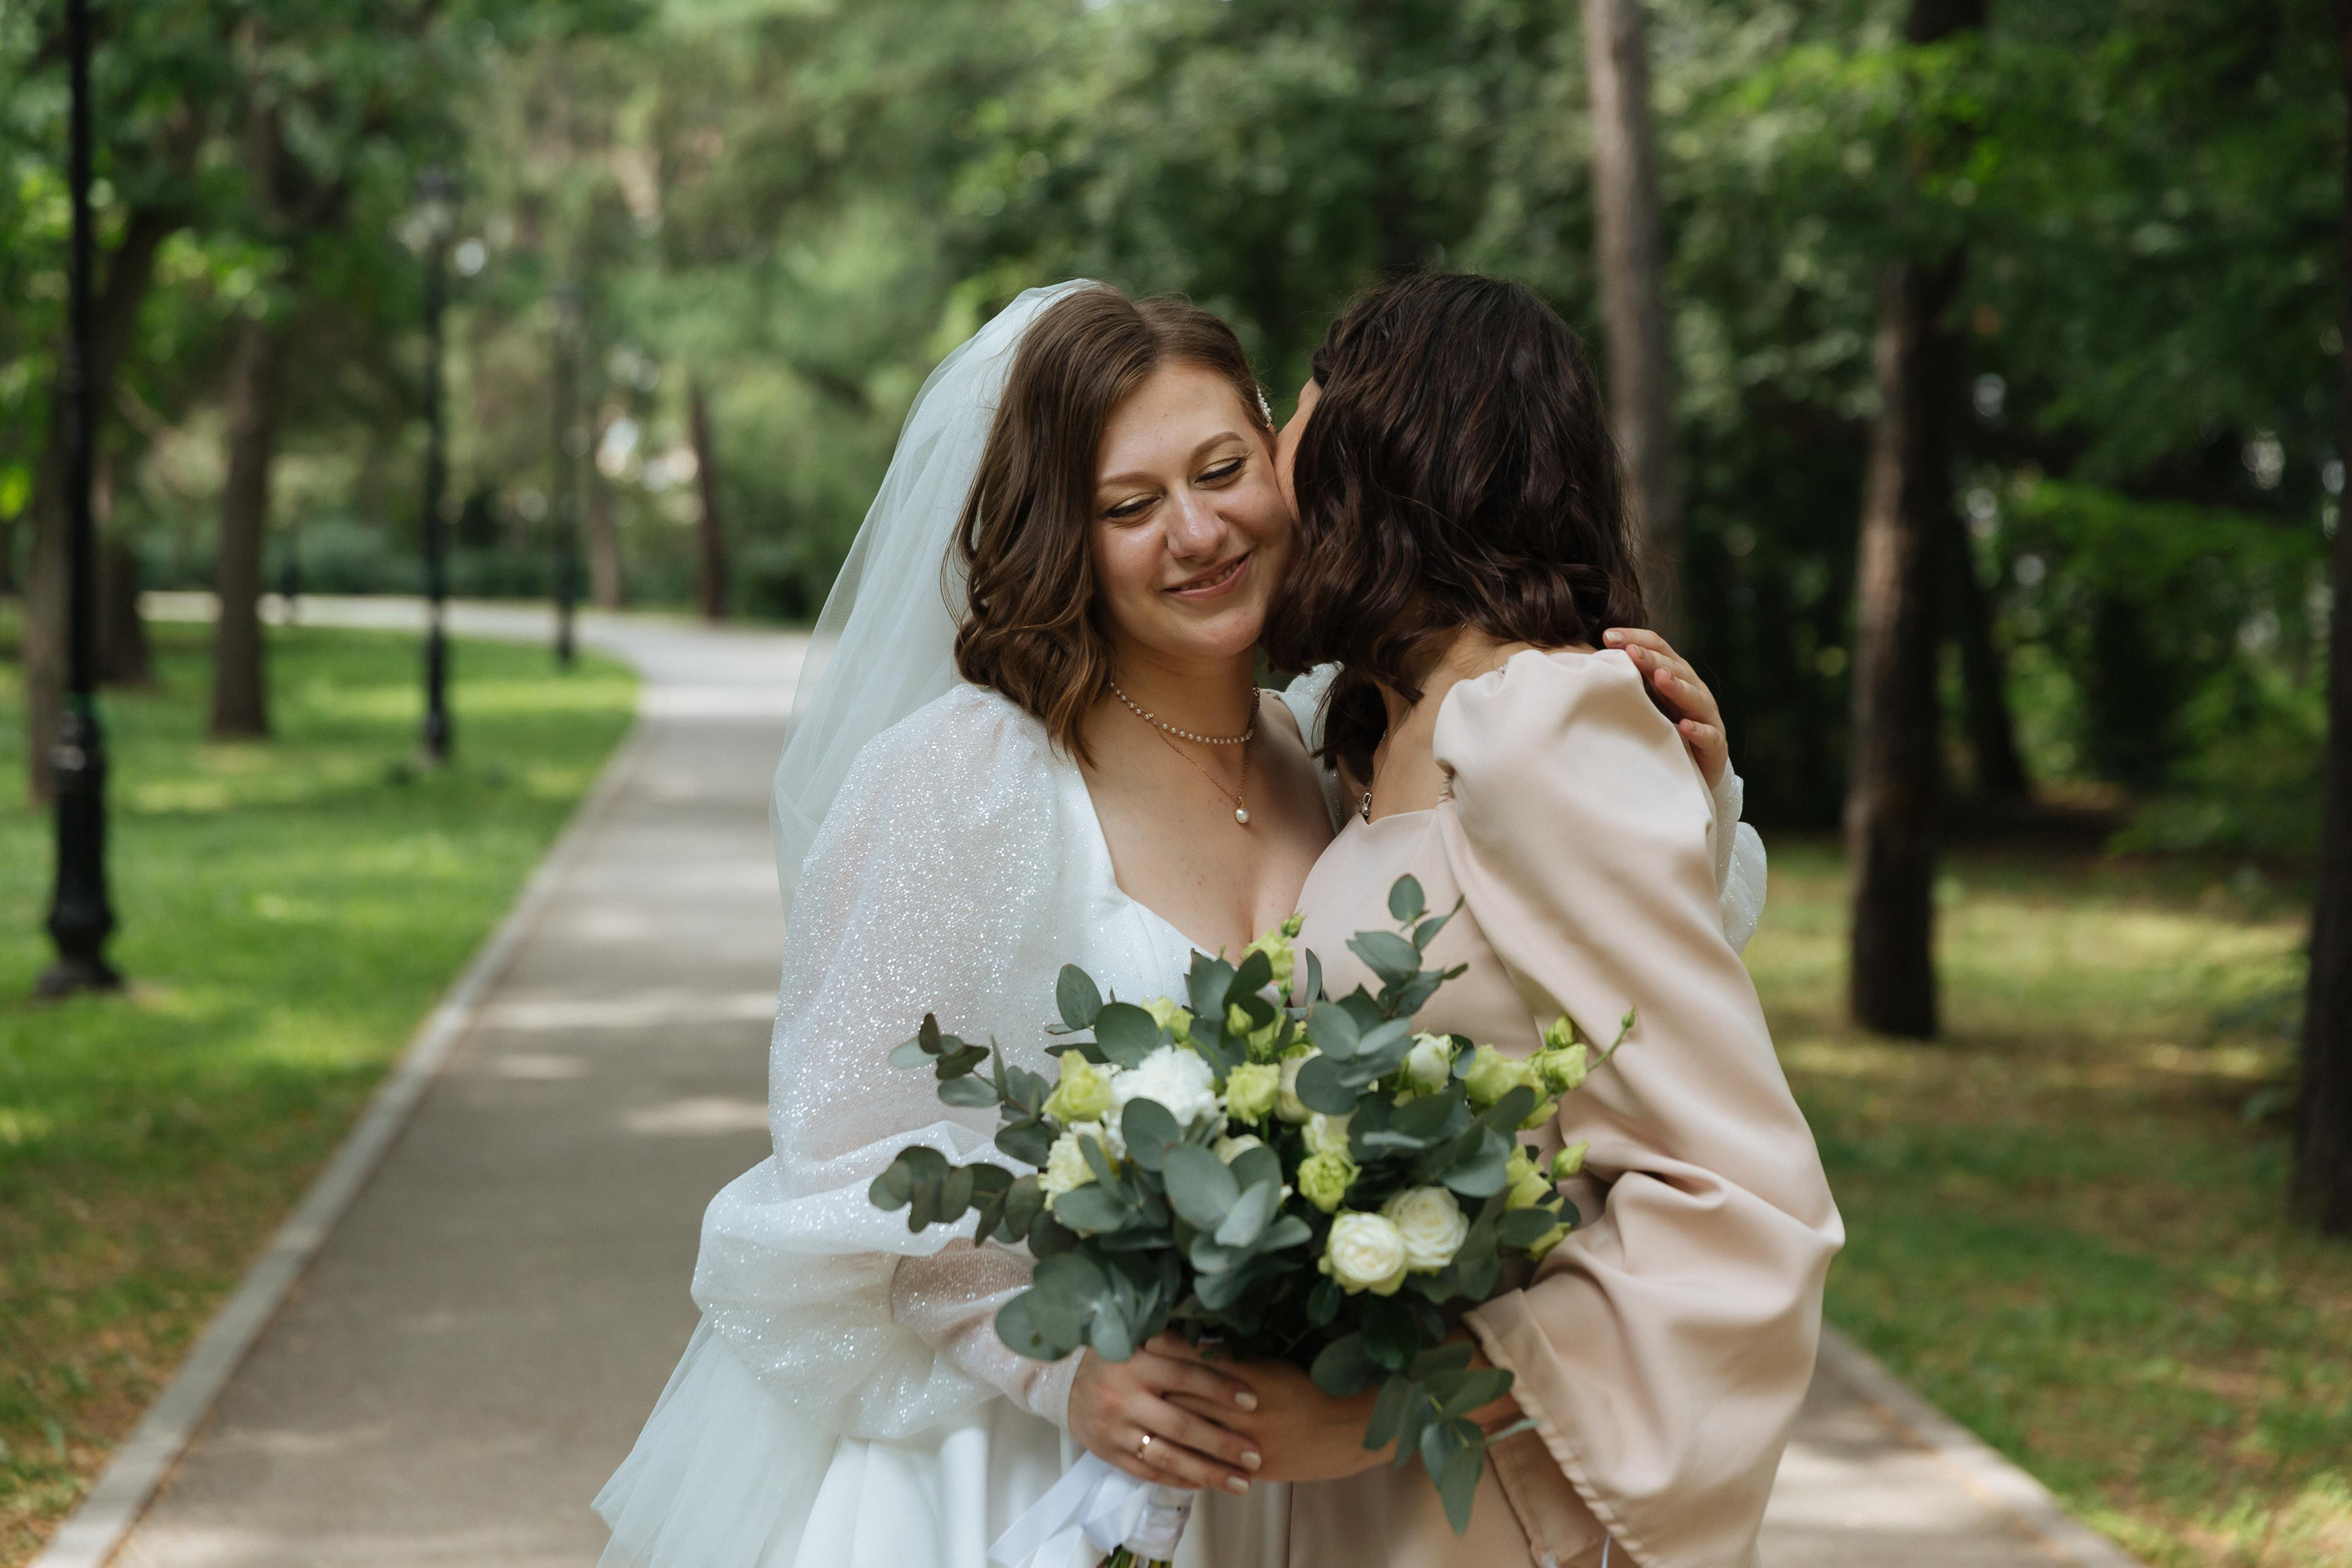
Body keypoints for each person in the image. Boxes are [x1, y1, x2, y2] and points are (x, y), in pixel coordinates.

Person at [593, 280, 1762, 1568]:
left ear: (1289, 465)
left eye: (1221, 471)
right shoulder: (966, 781)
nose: (1197, 533)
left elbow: (1557, 992)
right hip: (1033, 1467)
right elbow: (845, 1158)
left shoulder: (1344, 753)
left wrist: (1683, 789)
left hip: (1306, 1480)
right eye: (1129, 506)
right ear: (1063, 536)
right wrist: (1055, 1365)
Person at [1190, 272, 1841, 1568]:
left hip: (1476, 1488)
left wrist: (1384, 1408)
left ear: (1387, 444)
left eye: (1292, 413)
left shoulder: (1537, 726)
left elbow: (1740, 1201)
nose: (1266, 469)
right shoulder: (1375, 739)